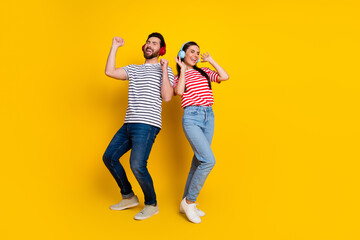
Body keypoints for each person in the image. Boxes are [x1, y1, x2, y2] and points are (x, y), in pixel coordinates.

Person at [103, 32, 174, 220]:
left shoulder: (164, 69)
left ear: (161, 49)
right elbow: (110, 72)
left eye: (155, 43)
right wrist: (115, 47)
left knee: (137, 164)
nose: (150, 45)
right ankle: (128, 196)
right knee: (109, 157)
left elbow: (167, 97)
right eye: (148, 42)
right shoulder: (133, 69)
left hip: (147, 123)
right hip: (129, 122)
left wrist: (165, 68)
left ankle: (152, 204)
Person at [173, 41, 229, 223]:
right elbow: (179, 91)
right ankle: (190, 201)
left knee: (198, 161)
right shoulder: (179, 75)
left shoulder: (204, 73)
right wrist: (182, 70)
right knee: (208, 160)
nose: (196, 55)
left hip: (208, 116)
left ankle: (184, 203)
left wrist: (211, 60)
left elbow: (225, 76)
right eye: (192, 52)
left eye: (197, 52)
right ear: (183, 53)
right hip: (192, 116)